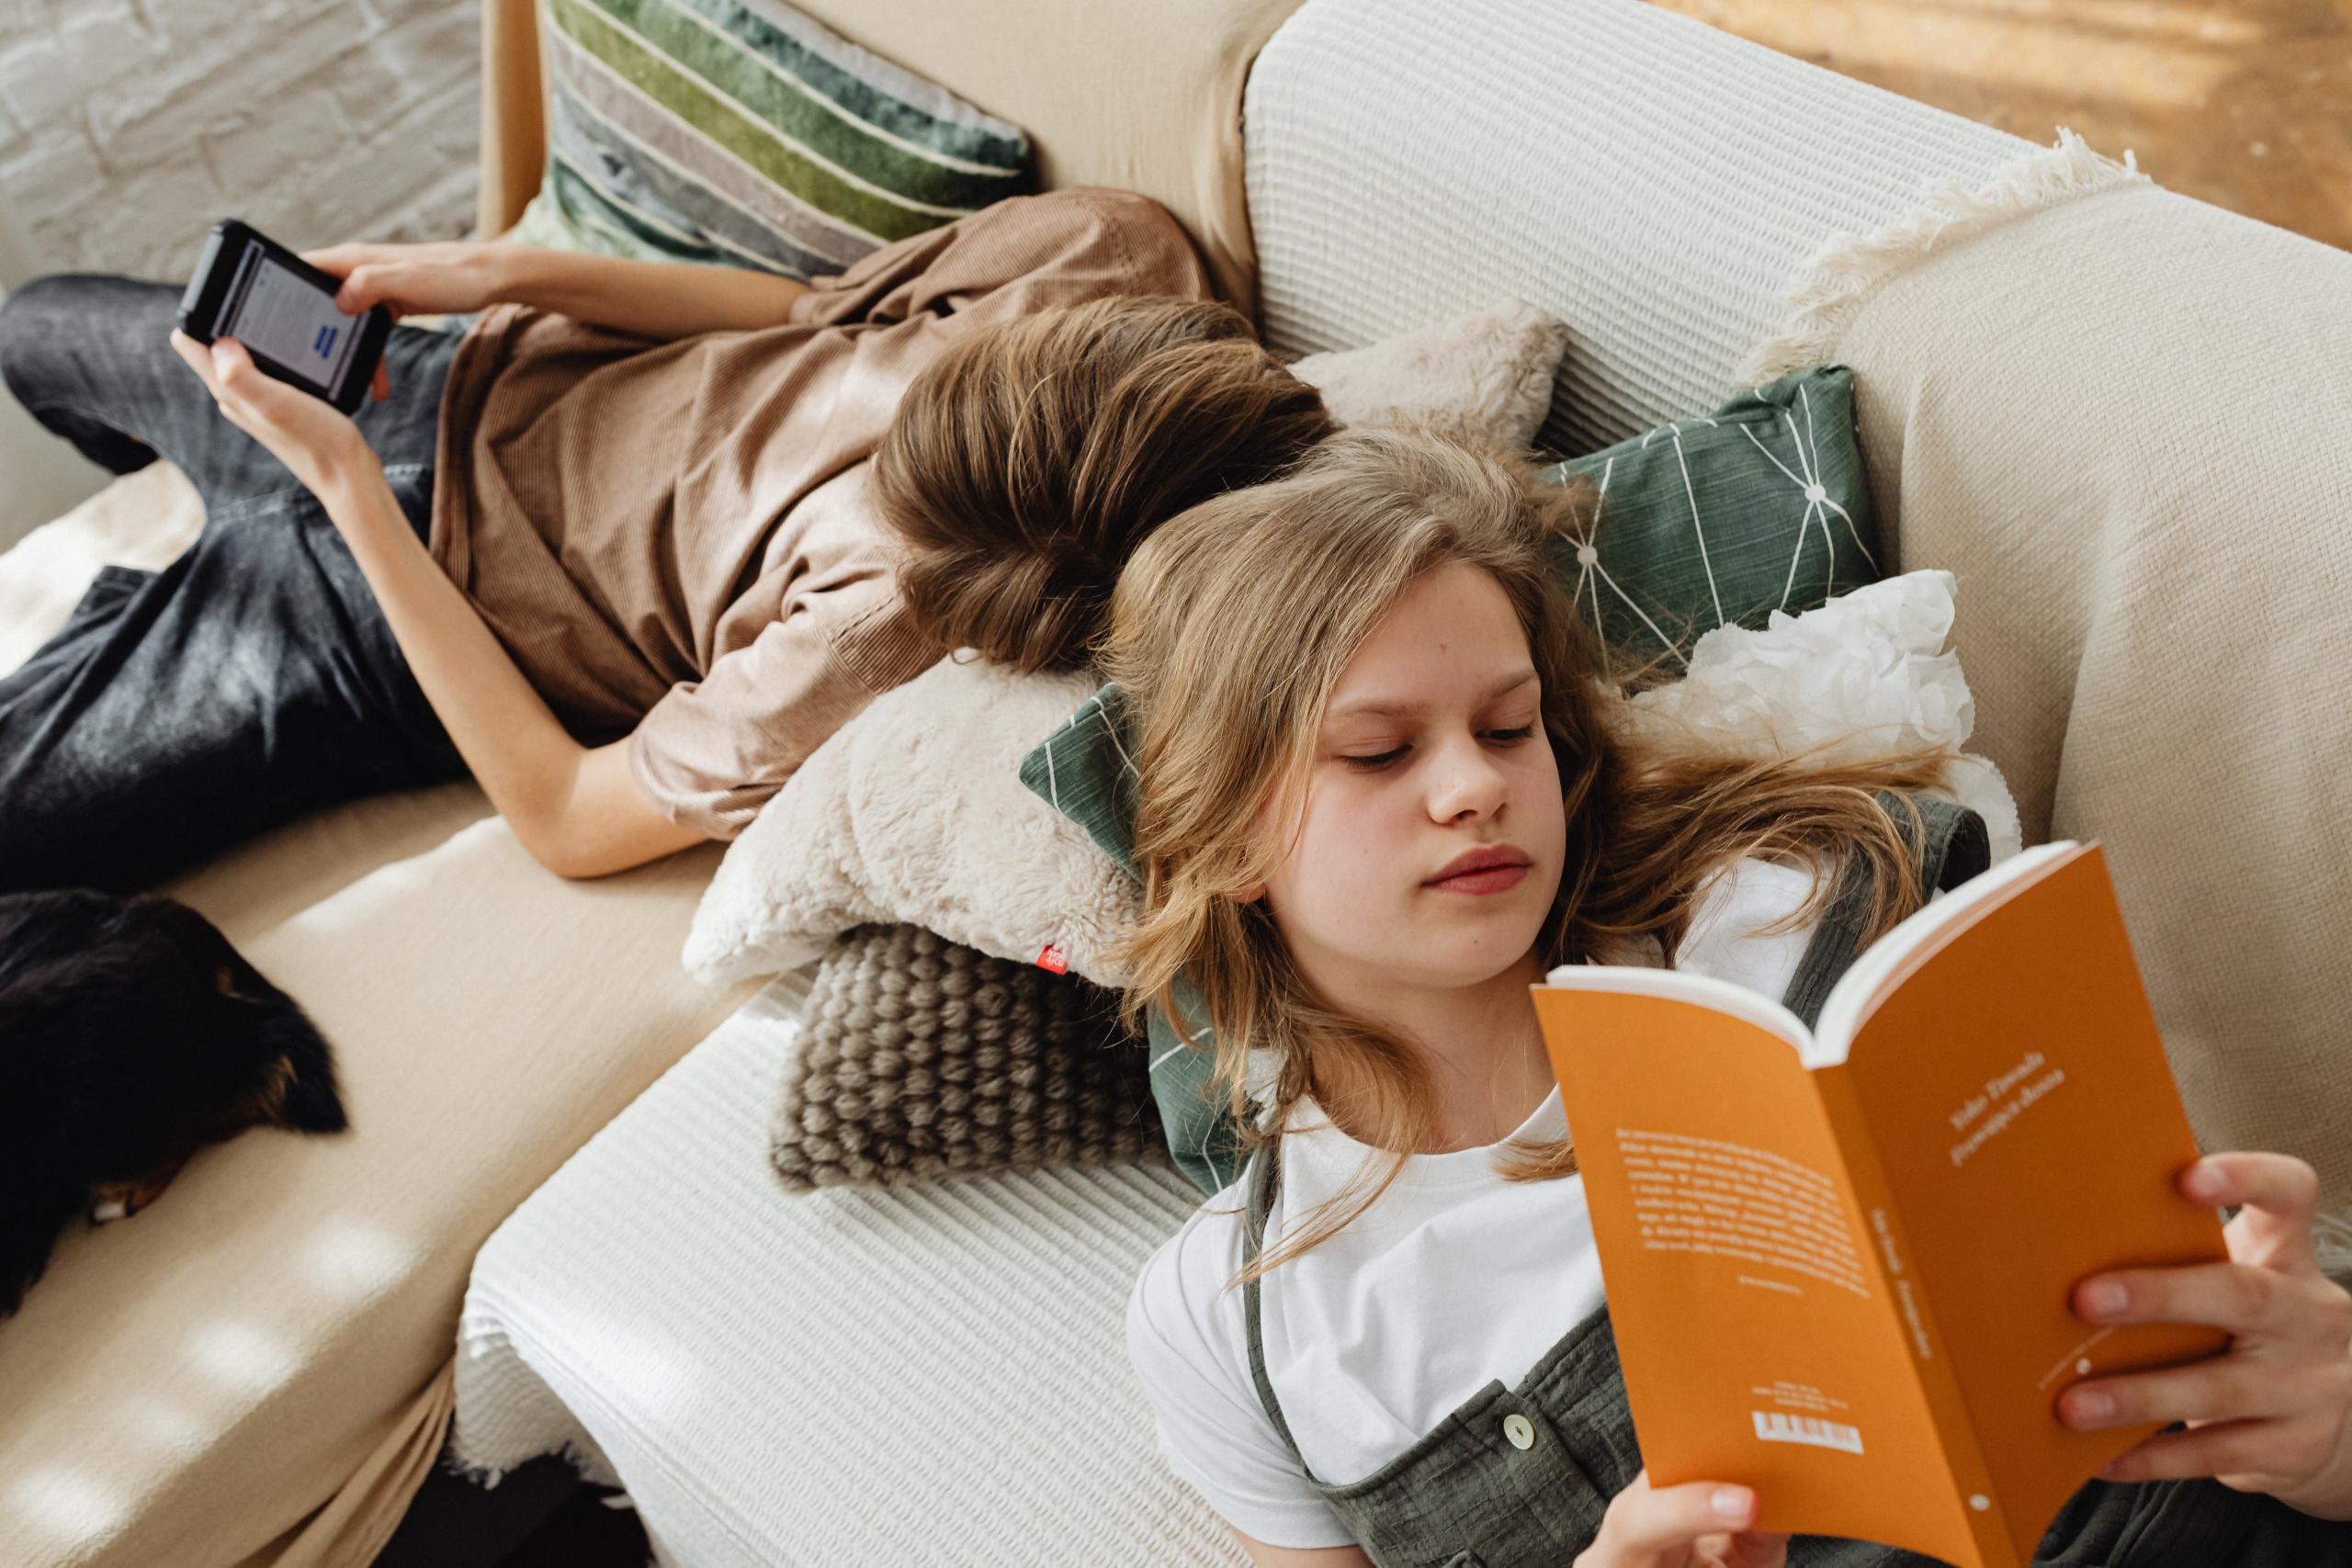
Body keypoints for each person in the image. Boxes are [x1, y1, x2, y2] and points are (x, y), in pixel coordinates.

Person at [1098, 426, 2352, 1566]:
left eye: (1508, 726)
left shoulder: (1781, 918)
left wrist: (2331, 1434)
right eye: (1379, 752)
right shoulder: (1235, 1318)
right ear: (1230, 834)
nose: (1473, 788)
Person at [0, 188, 1328, 893]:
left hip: (390, 618)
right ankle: (158, 581)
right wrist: (497, 272)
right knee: (34, 325)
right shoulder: (1108, 250)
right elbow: (808, 311)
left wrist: (344, 489)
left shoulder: (876, 626)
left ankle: (172, 597)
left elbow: (570, 819)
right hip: (454, 375)